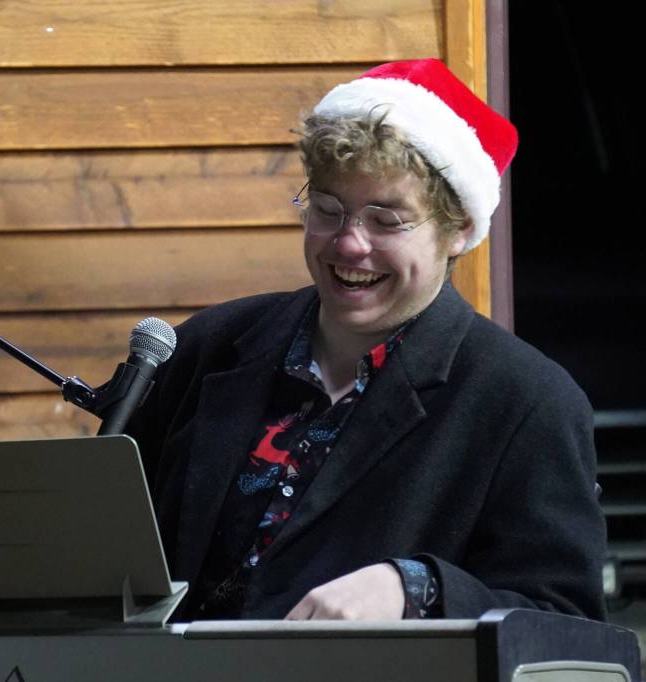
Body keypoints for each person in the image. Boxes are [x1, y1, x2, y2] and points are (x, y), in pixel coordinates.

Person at [125, 59, 606, 621]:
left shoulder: (527, 401)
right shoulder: (207, 348)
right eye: (329, 211)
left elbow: (564, 621)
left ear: (460, 231)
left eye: (387, 220)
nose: (349, 245)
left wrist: (417, 588)